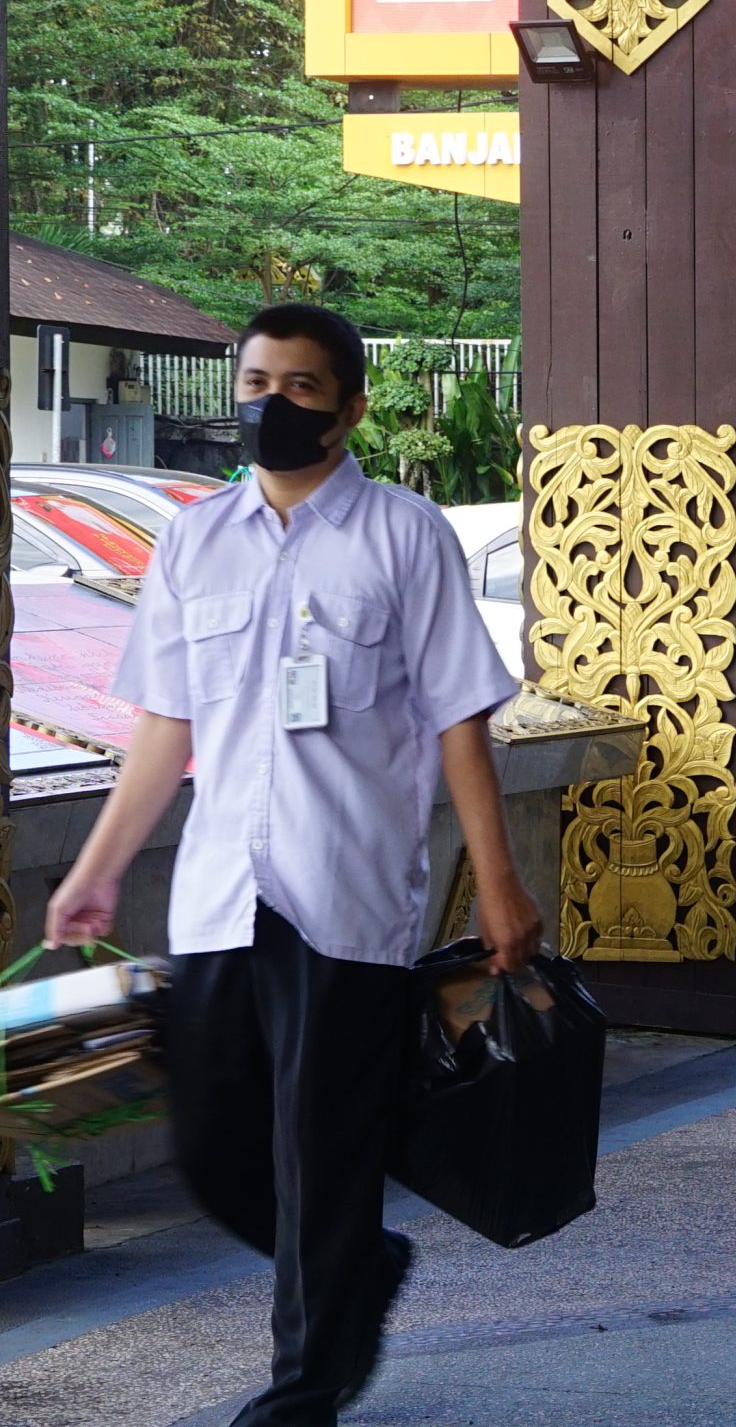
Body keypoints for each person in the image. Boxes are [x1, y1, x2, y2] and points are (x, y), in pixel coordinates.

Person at [45, 303, 542, 1426]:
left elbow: (460, 717)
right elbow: (166, 724)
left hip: (346, 891)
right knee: (212, 1140)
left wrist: (499, 879)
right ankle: (356, 1261)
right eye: (257, 382)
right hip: (221, 888)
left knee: (322, 1148)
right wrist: (97, 868)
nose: (272, 404)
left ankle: (301, 1389)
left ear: (349, 407)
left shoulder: (405, 535)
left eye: (301, 386)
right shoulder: (194, 539)